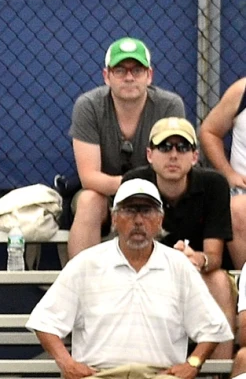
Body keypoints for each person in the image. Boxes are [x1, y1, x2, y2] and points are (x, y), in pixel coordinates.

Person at [28, 176, 229, 379]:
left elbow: (211, 327)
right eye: (129, 210)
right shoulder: (86, 263)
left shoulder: (179, 266)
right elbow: (44, 322)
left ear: (160, 220)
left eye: (146, 211)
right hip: (99, 378)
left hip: (157, 377)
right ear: (114, 218)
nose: (138, 220)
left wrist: (193, 364)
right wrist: (66, 363)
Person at [67, 37, 189, 258]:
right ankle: (82, 285)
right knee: (88, 200)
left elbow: (174, 168)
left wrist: (141, 193)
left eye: (138, 70)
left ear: (149, 75)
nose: (129, 77)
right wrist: (131, 187)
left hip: (156, 193)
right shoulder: (88, 106)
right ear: (107, 76)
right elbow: (89, 178)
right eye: (120, 70)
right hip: (104, 195)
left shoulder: (170, 105)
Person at [123, 116, 234, 327]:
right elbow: (130, 249)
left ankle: (219, 361)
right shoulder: (134, 183)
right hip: (146, 269)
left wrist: (198, 260)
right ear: (149, 154)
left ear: (194, 156)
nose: (173, 155)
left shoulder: (214, 184)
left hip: (197, 274)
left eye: (182, 148)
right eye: (164, 147)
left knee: (219, 281)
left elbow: (214, 257)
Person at [196, 71, 246, 250]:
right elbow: (209, 132)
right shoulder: (241, 91)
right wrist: (229, 173)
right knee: (237, 209)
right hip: (243, 193)